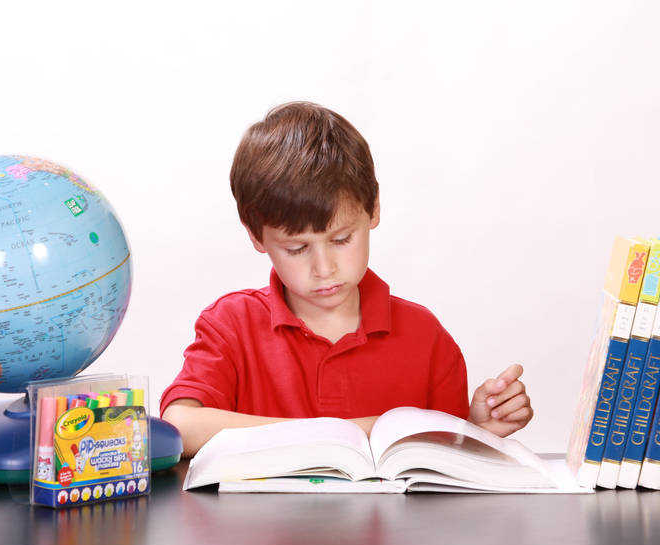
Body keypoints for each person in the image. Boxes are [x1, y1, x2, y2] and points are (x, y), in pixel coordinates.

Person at [161, 101, 533, 456]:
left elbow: (445, 458)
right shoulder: (231, 325)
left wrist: (476, 430)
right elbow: (180, 425)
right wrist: (350, 431)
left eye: (341, 240)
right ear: (257, 236)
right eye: (296, 249)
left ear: (373, 209)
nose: (324, 268)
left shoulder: (426, 337)